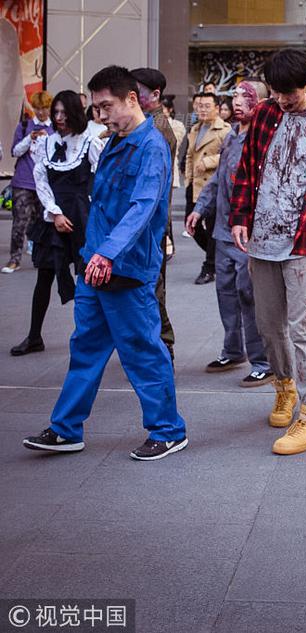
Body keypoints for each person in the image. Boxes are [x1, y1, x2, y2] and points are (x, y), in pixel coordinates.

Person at [22, 65, 188, 461]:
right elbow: (103, 205)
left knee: (143, 351)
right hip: (97, 264)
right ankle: (66, 429)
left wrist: (106, 253)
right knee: (86, 349)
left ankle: (168, 429)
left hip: (126, 267)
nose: (100, 115)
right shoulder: (115, 140)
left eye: (106, 106)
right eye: (96, 108)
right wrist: (93, 254)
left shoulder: (151, 145)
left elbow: (144, 207)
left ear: (132, 99)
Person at [229, 48, 306, 455]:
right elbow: (247, 167)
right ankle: (284, 388)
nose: (283, 99)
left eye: (290, 93)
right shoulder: (264, 113)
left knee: (305, 329)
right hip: (262, 238)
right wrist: (240, 215)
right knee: (268, 324)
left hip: (304, 240)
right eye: (277, 92)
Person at [186, 81, 273, 387]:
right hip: (223, 231)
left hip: (249, 232)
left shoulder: (263, 140)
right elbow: (218, 179)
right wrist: (200, 208)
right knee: (225, 292)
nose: (237, 102)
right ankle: (233, 350)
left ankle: (263, 361)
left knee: (249, 295)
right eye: (234, 96)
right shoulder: (232, 137)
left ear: (261, 103)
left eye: (245, 97)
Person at [11, 91, 104, 357]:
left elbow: (100, 182)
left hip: (83, 216)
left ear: (75, 112)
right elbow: (41, 181)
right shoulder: (47, 143)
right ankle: (34, 336)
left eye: (64, 112)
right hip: (54, 217)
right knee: (44, 276)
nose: (59, 118)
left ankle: (91, 337)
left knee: (88, 277)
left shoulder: (90, 143)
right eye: (56, 113)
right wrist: (55, 213)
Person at [131, 67, 178, 360]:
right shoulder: (144, 123)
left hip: (153, 221)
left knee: (153, 286)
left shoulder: (158, 128)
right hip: (148, 220)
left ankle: (163, 344)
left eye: (137, 91)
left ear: (155, 94)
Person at [5, 91, 53, 273]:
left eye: (45, 108)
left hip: (45, 183)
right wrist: (30, 137)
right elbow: (15, 151)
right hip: (23, 181)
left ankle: (42, 258)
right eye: (38, 108)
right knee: (19, 222)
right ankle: (14, 259)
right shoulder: (25, 126)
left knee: (44, 221)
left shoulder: (55, 128)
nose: (41, 112)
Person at [185, 91, 229, 285]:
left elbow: (231, 155)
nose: (202, 109)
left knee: (212, 228)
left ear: (217, 109)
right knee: (193, 227)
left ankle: (209, 267)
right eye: (199, 105)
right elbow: (188, 156)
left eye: (206, 106)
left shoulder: (225, 130)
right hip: (194, 186)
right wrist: (188, 179)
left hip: (213, 187)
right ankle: (217, 255)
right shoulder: (195, 129)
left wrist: (209, 161)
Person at [161, 96, 186, 190]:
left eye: (162, 108)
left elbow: (174, 143)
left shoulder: (178, 125)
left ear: (170, 109)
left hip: (170, 166)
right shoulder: (153, 123)